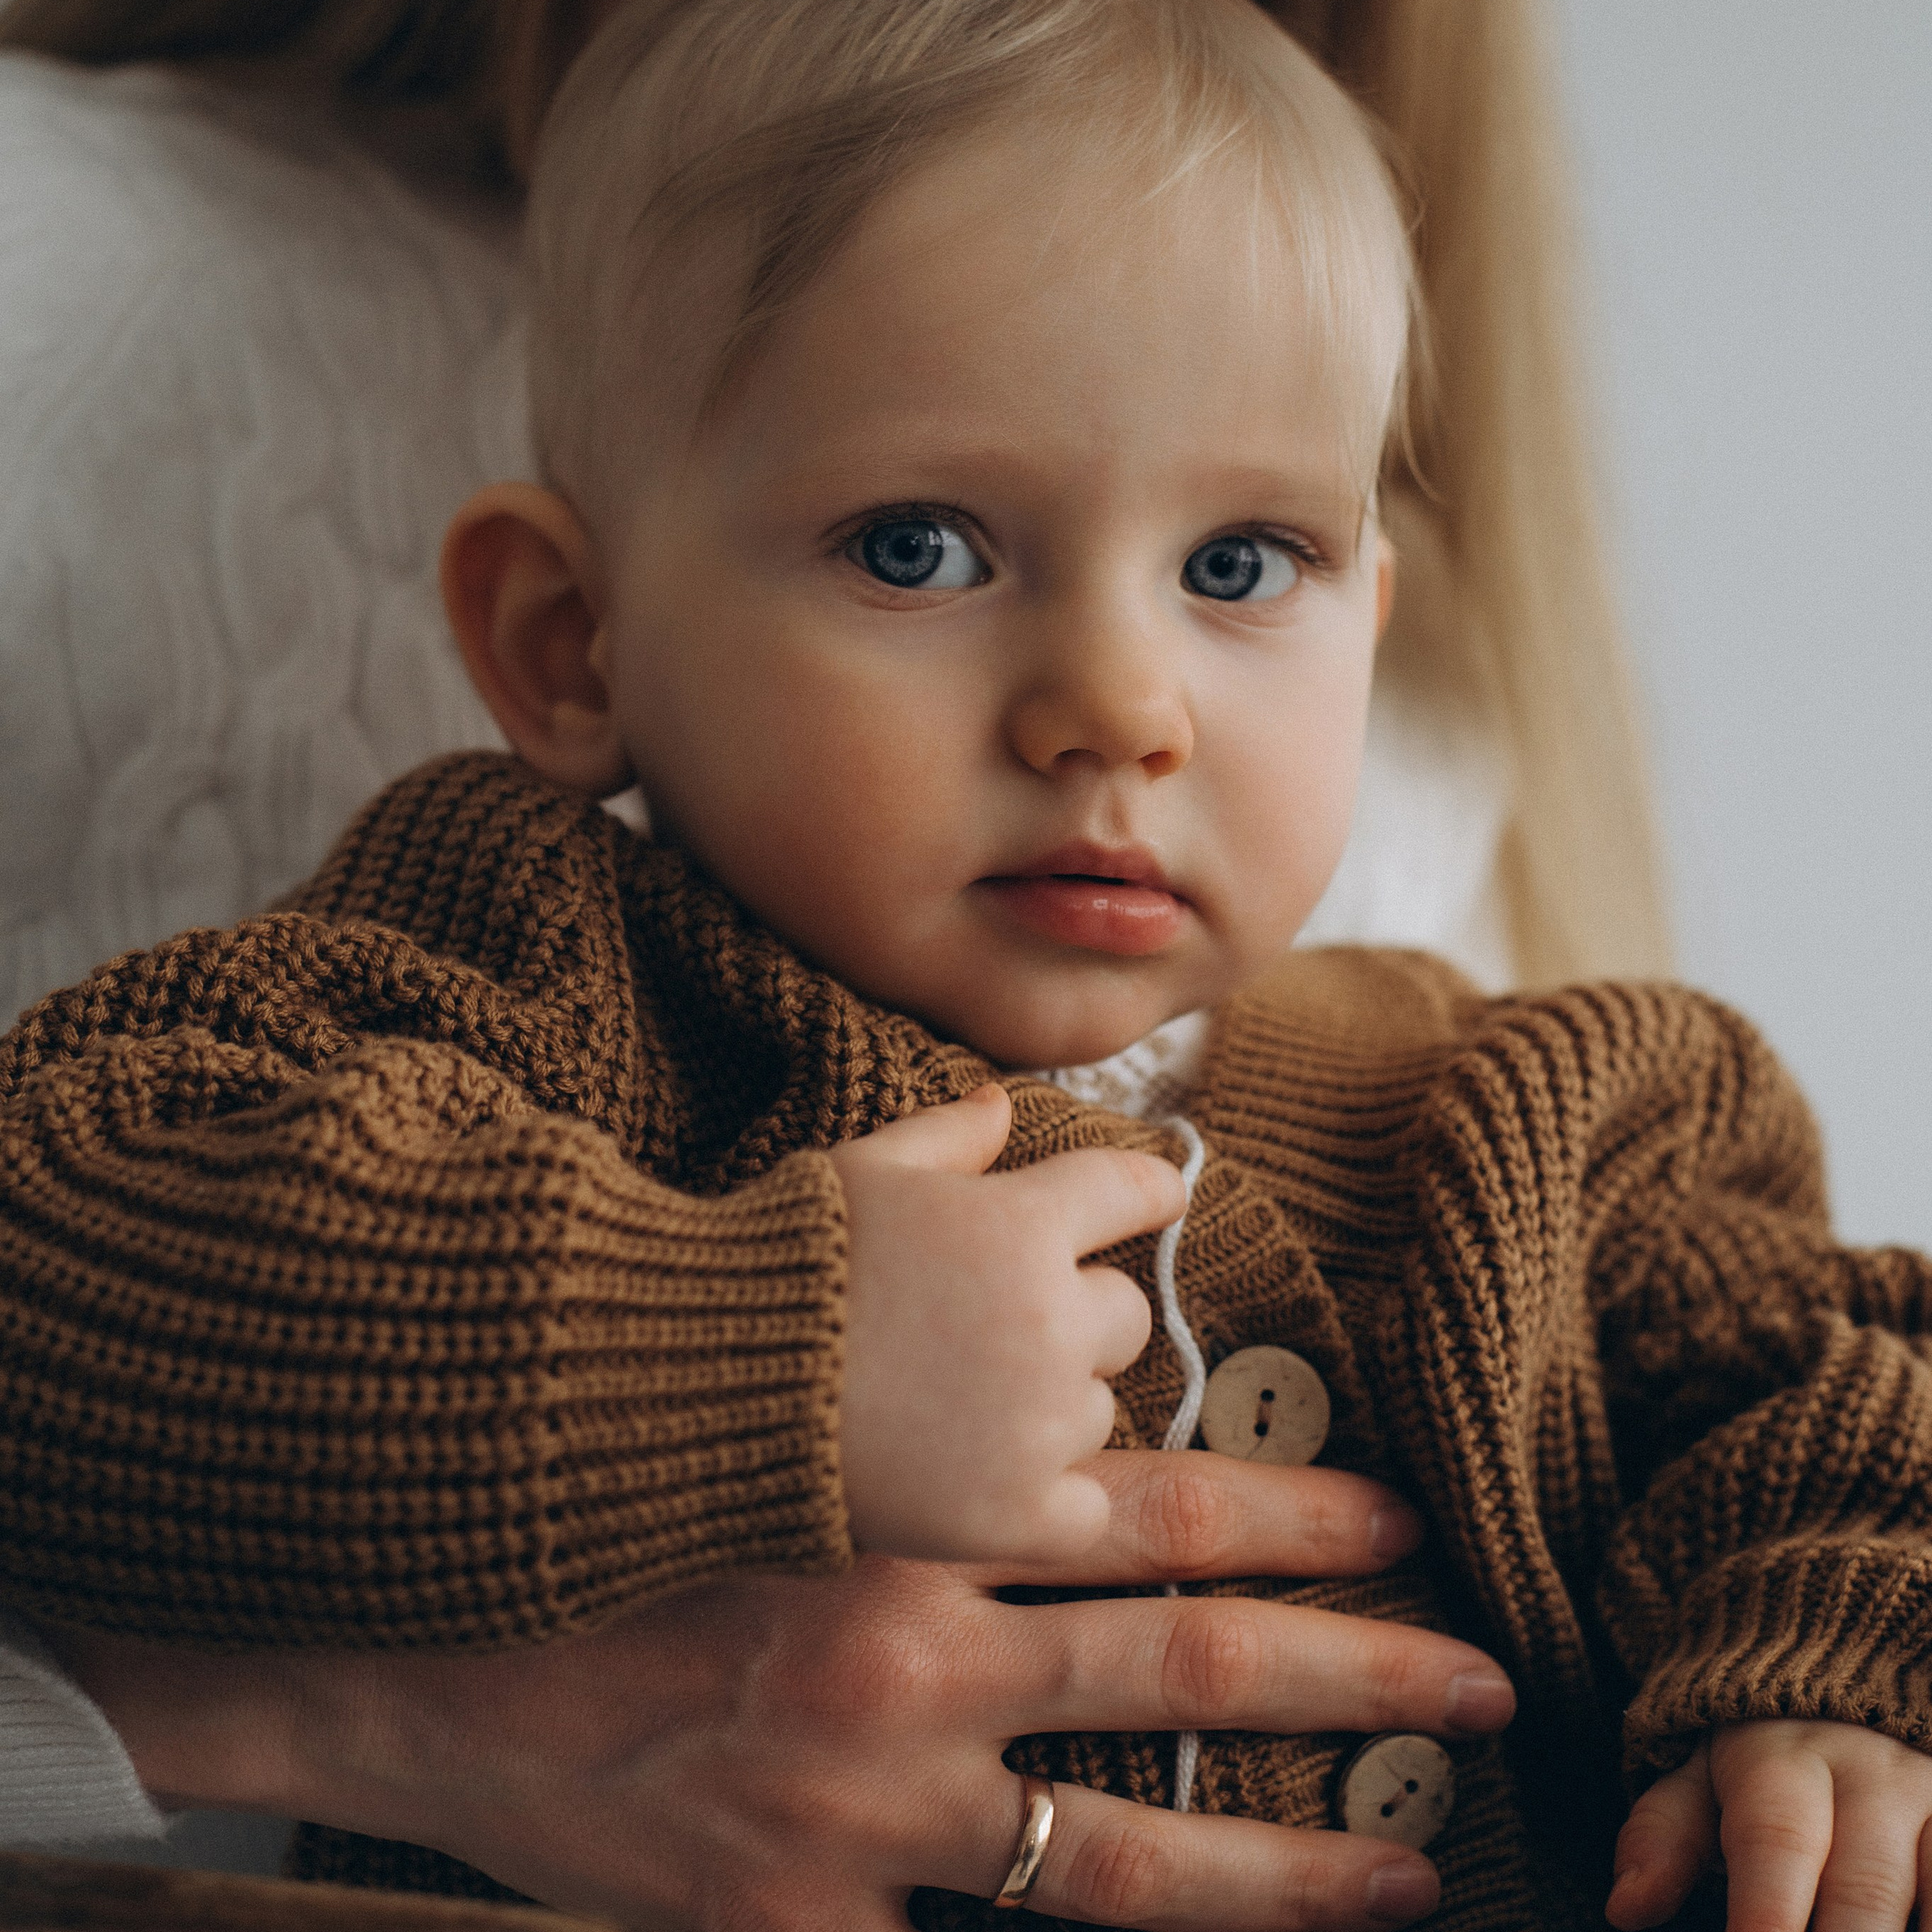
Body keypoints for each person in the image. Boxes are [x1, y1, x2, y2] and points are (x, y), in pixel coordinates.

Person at [5, 5, 1932, 1932]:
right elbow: (55, 1228)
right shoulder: (523, 973)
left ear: (1366, 620)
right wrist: (745, 1342)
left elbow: (1848, 1393)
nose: (1119, 702)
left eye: (1244, 564)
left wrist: (1823, 1686)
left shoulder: (1525, 1115)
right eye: (918, 546)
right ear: (571, 643)